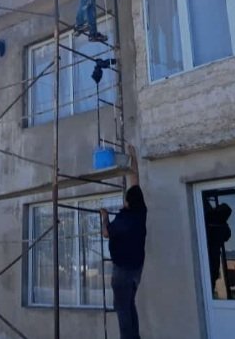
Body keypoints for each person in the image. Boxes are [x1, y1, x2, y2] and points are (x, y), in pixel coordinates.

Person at [100, 144, 146, 339]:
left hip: (123, 272)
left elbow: (105, 233)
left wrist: (104, 217)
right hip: (136, 269)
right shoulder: (141, 211)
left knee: (122, 309)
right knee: (129, 304)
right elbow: (135, 179)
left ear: (128, 202)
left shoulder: (124, 220)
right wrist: (133, 158)